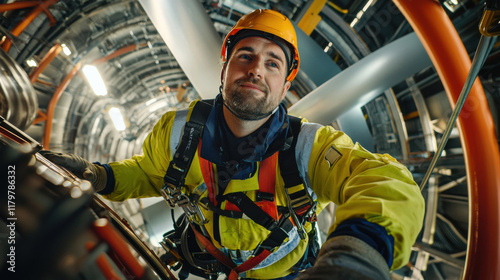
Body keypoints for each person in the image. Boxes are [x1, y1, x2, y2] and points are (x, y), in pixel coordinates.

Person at [41, 9, 425, 280]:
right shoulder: (177, 133)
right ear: (224, 67)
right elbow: (146, 174)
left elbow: (385, 181)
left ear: (286, 85)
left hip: (284, 274)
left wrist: (356, 258)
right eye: (246, 55)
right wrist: (98, 175)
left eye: (273, 63)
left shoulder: (309, 148)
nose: (257, 68)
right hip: (205, 262)